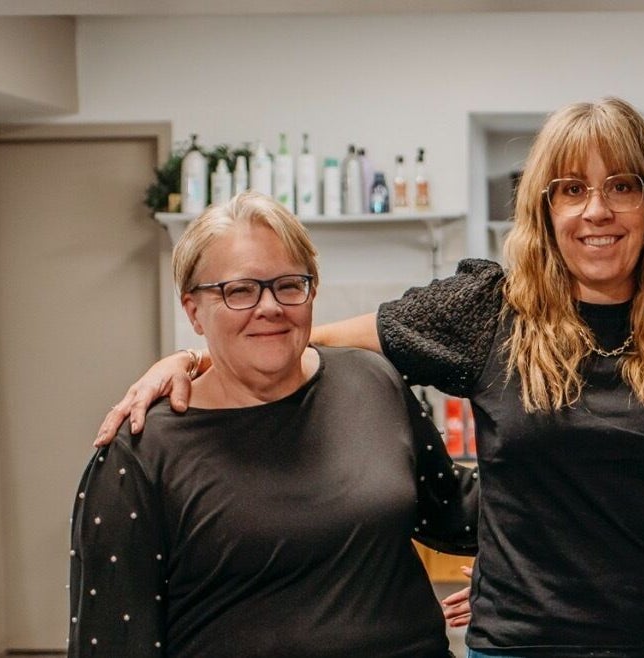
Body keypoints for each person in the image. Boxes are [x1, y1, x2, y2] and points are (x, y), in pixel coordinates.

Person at [96, 99, 644, 658]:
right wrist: (203, 351)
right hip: (523, 648)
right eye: (571, 189)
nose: (598, 210)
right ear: (542, 207)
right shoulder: (490, 310)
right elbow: (302, 331)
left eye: (623, 186)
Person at [70, 192, 476, 658]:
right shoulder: (140, 451)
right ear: (193, 310)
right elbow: (112, 641)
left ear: (311, 292)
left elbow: (451, 511)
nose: (269, 307)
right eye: (239, 290)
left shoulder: (371, 382)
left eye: (288, 285)